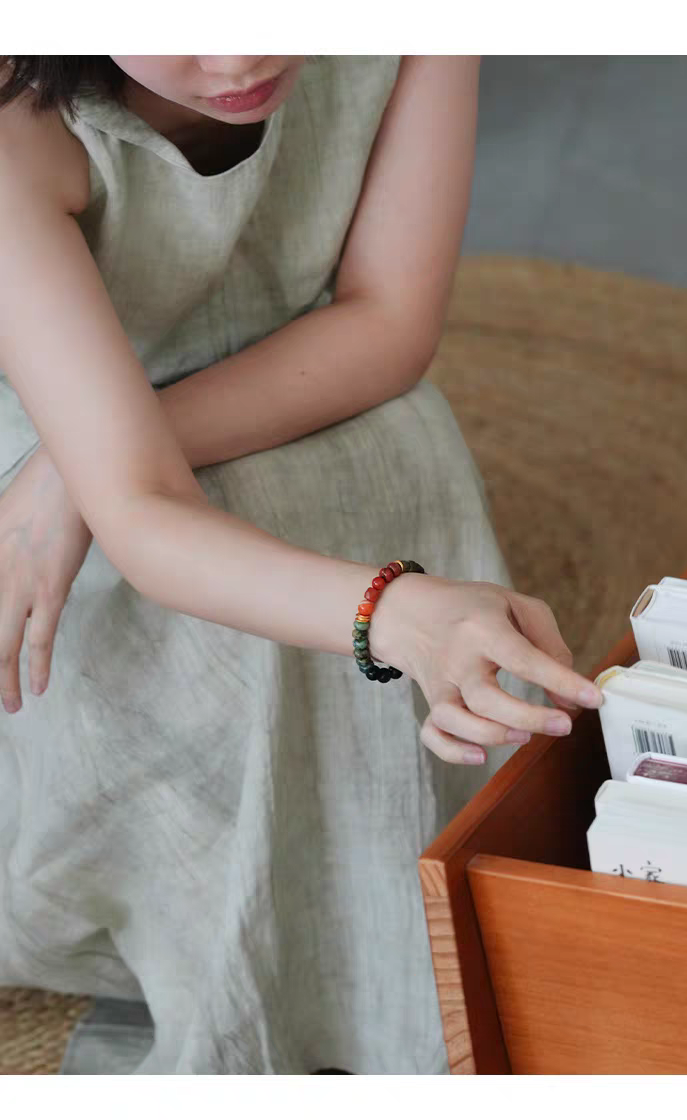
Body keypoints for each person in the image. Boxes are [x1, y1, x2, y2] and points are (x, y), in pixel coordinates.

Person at [0, 54, 603, 1074]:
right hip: (59, 438)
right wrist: (400, 614)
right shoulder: (18, 133)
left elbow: (389, 324)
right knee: (171, 606)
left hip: (305, 386)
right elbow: (143, 511)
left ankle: (350, 931)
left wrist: (85, 474)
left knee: (386, 457)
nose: (243, 52)